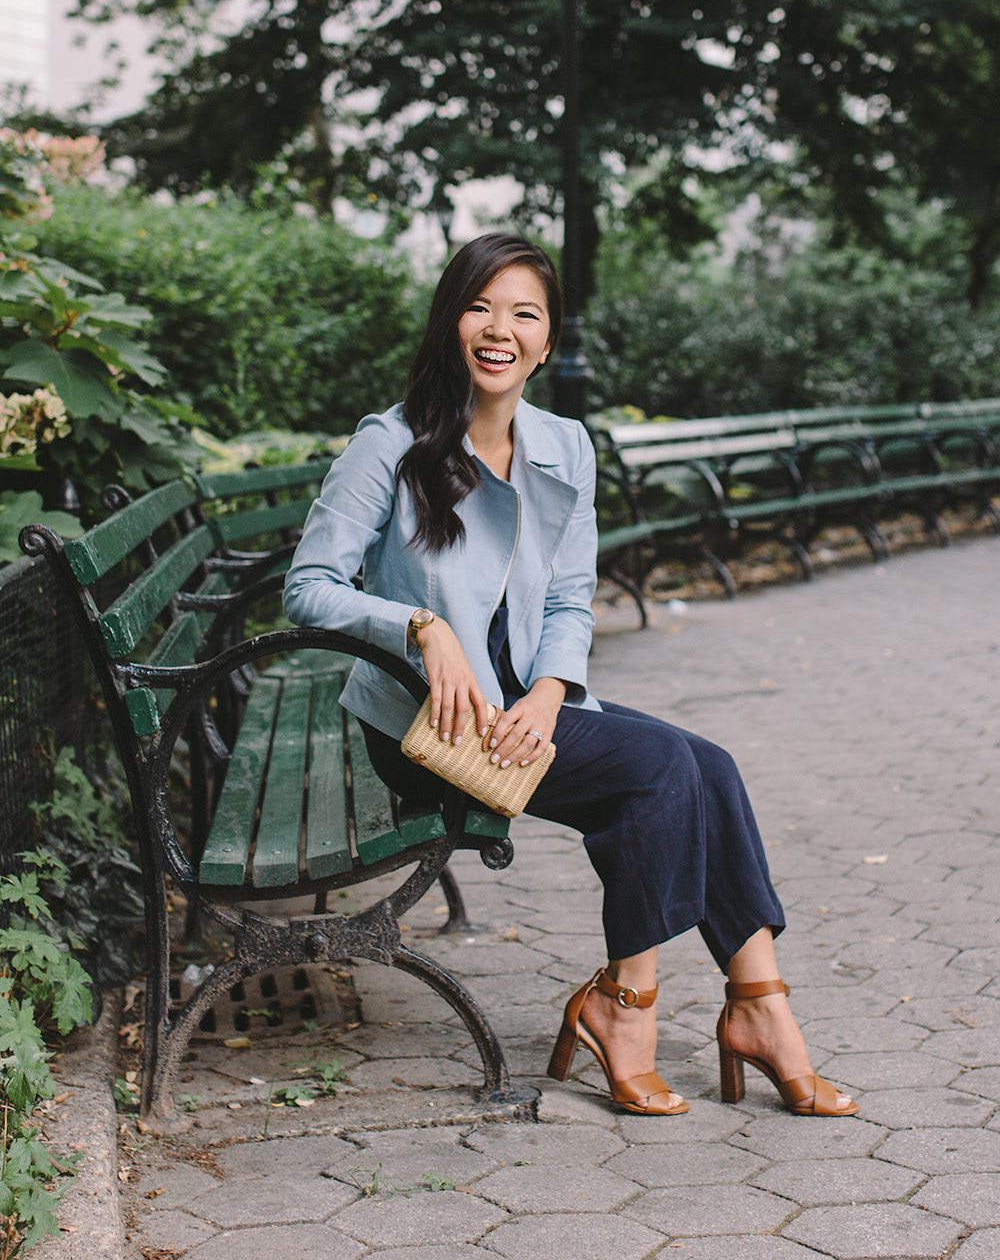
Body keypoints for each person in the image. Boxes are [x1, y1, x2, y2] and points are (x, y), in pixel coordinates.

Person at [283, 232, 857, 1119]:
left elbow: (572, 600)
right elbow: (308, 589)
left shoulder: (565, 446)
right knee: (660, 772)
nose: (499, 328)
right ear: (449, 324)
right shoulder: (388, 446)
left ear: (547, 343)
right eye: (480, 307)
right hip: (424, 725)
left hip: (522, 703)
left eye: (524, 313)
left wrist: (551, 695)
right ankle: (626, 1012)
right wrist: (418, 627)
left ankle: (760, 1008)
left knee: (709, 766)